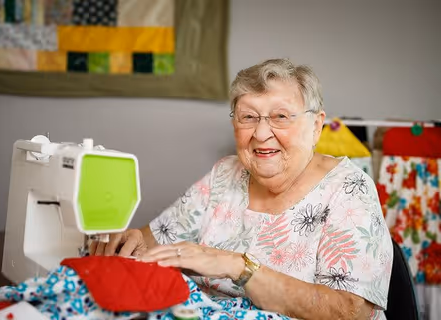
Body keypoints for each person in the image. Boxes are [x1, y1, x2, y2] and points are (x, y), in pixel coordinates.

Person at [90, 58, 393, 320]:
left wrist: (238, 266)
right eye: (248, 117)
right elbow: (160, 237)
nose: (261, 134)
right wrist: (129, 240)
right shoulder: (226, 173)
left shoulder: (348, 189)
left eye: (281, 117)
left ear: (316, 126)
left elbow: (351, 311)